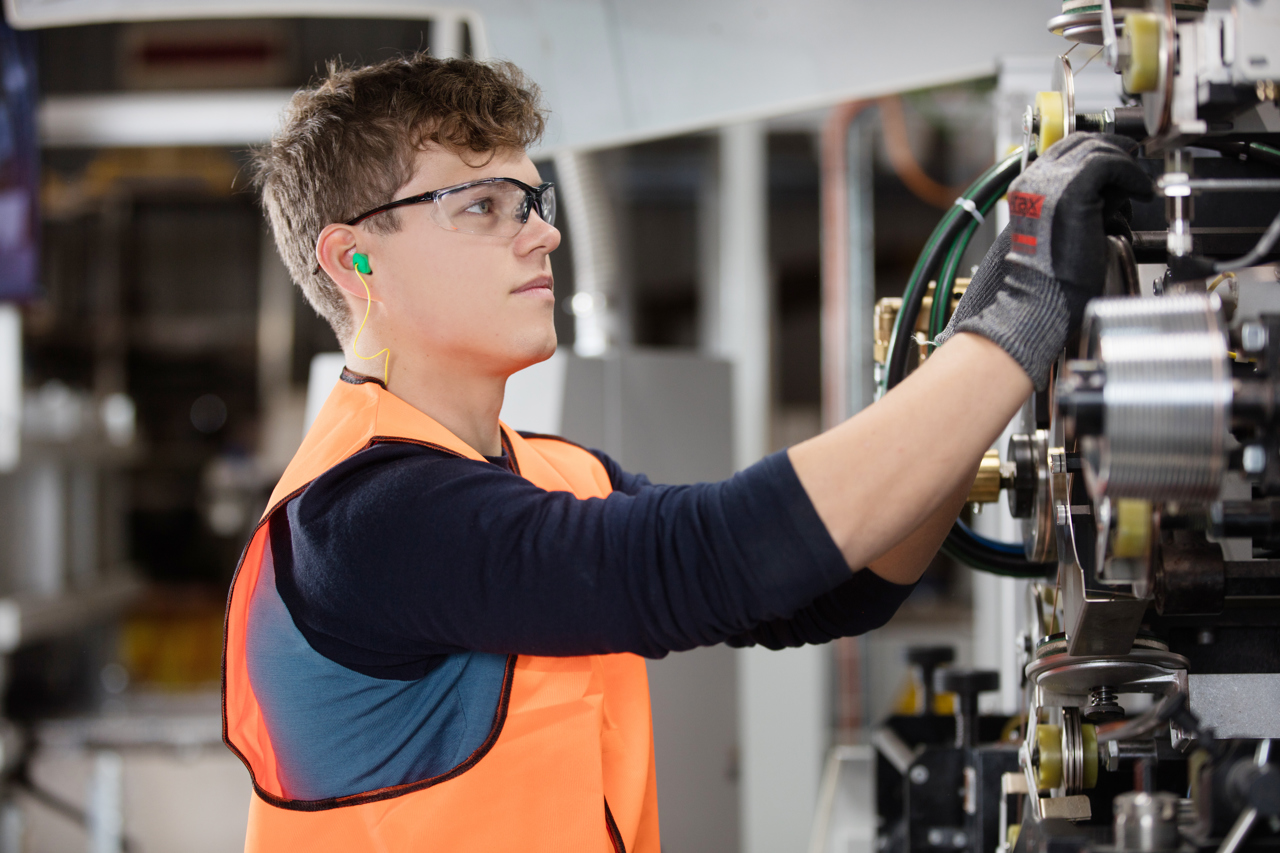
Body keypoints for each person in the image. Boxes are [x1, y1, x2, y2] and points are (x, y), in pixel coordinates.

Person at [223, 52, 1152, 852]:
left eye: (534, 201)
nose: (542, 231)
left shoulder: (553, 472)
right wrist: (1012, 320)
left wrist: (980, 371)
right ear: (355, 261)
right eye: (482, 206)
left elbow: (834, 581)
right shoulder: (361, 521)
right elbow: (713, 558)